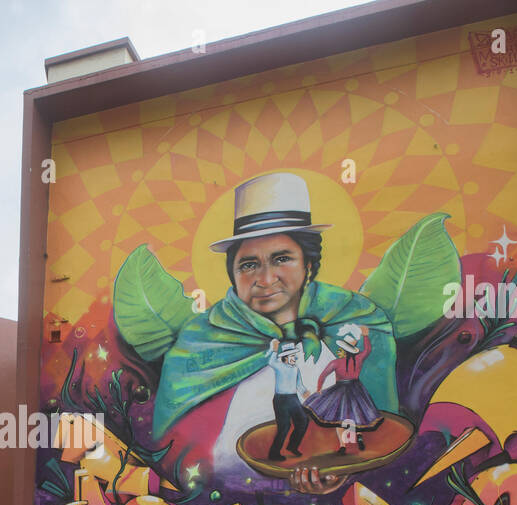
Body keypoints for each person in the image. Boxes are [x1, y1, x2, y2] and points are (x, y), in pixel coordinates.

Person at [113, 171, 397, 482]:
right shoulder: (199, 343)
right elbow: (175, 450)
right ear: (232, 274)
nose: (264, 279)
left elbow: (377, 438)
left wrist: (336, 478)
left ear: (309, 266)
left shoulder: (346, 321)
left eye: (281, 259)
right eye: (249, 264)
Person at [305, 323, 382, 453]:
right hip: (356, 388)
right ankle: (358, 436)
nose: (338, 350)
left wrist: (319, 388)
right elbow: (368, 350)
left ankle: (343, 445)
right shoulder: (358, 359)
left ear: (344, 351)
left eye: (341, 349)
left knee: (339, 418)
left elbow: (323, 375)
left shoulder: (335, 362)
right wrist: (365, 336)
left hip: (341, 389)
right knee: (356, 413)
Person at [265, 339, 313, 461]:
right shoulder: (279, 365)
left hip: (293, 398)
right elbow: (270, 361)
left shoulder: (295, 368)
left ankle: (292, 446)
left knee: (303, 420)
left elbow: (299, 384)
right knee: (284, 426)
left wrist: (304, 392)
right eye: (292, 356)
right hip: (281, 400)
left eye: (295, 356)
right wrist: (274, 349)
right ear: (285, 357)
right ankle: (273, 453)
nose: (294, 358)